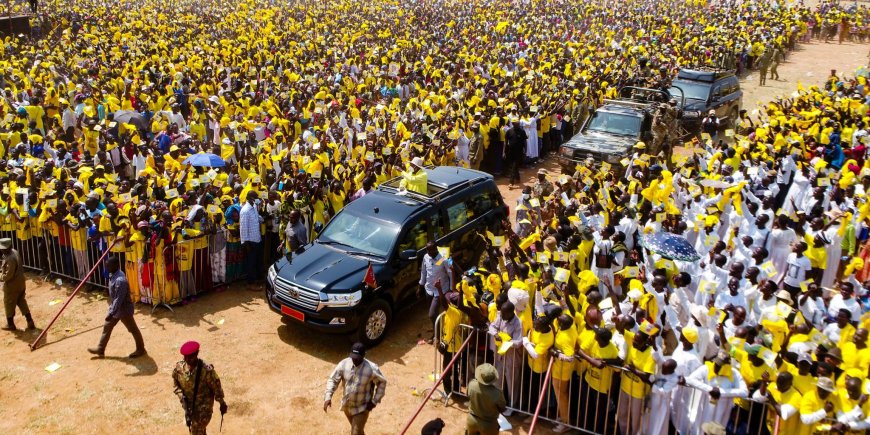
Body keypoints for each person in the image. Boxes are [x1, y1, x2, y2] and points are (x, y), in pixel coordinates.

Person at [87, 256, 146, 358]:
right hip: (116, 309)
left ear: (115, 266)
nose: (106, 268)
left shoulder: (120, 280)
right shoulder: (114, 274)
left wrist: (111, 313)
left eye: (108, 266)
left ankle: (141, 349)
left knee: (133, 329)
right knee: (107, 326)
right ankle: (100, 349)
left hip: (124, 310)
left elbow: (119, 299)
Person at [323, 343, 387, 435]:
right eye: (353, 357)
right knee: (358, 432)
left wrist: (374, 401)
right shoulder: (344, 364)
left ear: (363, 355)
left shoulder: (371, 369)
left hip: (362, 408)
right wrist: (328, 396)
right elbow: (333, 379)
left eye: (358, 358)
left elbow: (382, 382)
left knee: (355, 433)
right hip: (347, 406)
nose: (355, 360)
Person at [172, 341, 228, 435]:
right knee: (199, 431)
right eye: (185, 357)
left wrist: (222, 403)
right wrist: (182, 398)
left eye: (191, 357)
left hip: (203, 408)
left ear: (197, 354)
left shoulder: (206, 370)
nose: (187, 359)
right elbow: (176, 385)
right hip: (189, 407)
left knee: (196, 431)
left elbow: (216, 387)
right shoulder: (179, 368)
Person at [418, 241, 453, 339]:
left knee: (432, 314)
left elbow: (450, 273)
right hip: (429, 289)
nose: (430, 254)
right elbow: (423, 272)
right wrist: (420, 286)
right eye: (428, 251)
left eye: (432, 251)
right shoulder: (426, 257)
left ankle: (438, 335)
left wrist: (451, 289)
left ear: (436, 249)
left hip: (440, 290)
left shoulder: (443, 258)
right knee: (434, 314)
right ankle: (436, 330)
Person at [0, 237, 34, 331]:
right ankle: (30, 320)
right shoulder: (14, 251)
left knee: (8, 303)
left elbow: (8, 276)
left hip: (12, 286)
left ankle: (10, 324)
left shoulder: (10, 258)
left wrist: (1, 276)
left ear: (8, 247)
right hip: (21, 283)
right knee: (21, 301)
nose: (2, 250)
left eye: (3, 248)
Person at [466, 363, 506, 435]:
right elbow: (502, 408)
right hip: (489, 425)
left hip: (472, 420)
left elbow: (468, 396)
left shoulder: (471, 384)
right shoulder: (497, 393)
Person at [239, 191, 264, 284]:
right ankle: (251, 282)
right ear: (250, 197)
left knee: (257, 261)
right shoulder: (245, 211)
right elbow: (243, 228)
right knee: (251, 263)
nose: (257, 198)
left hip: (257, 239)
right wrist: (246, 243)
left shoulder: (254, 207)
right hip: (250, 242)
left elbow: (257, 217)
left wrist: (263, 218)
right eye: (255, 197)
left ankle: (257, 279)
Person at [503, 117, 527, 189]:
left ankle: (511, 182)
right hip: (510, 151)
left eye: (518, 123)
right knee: (514, 166)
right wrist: (503, 152)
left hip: (519, 152)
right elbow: (505, 142)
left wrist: (525, 151)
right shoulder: (509, 131)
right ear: (513, 124)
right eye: (516, 123)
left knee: (514, 166)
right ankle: (518, 178)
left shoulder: (522, 131)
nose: (518, 124)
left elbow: (525, 141)